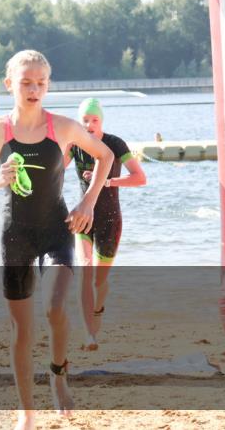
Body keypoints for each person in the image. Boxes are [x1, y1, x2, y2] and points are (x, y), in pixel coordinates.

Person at [0, 50, 112, 428]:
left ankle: (58, 371)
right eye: (26, 82)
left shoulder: (61, 127)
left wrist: (88, 202)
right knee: (21, 330)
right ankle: (27, 413)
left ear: (48, 85)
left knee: (54, 307)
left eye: (41, 83)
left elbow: (105, 157)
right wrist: (0, 177)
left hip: (56, 230)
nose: (34, 89)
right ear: (9, 84)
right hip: (15, 236)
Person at [67, 98, 146, 351]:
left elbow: (140, 178)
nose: (89, 125)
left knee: (99, 282)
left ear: (101, 121)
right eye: (85, 121)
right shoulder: (76, 145)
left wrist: (108, 181)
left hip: (110, 219)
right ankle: (89, 333)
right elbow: (55, 168)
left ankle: (98, 308)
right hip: (84, 216)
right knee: (84, 269)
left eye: (94, 120)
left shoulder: (114, 143)